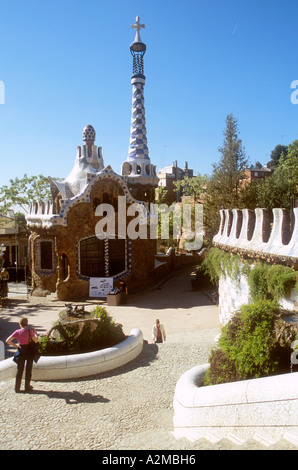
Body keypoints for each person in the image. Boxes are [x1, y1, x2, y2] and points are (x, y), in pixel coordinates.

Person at [6, 317, 39, 393]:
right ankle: (27, 387)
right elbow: (36, 340)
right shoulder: (30, 331)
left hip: (21, 351)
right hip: (29, 351)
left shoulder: (17, 331)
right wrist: (36, 334)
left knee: (19, 370)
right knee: (28, 369)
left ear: (20, 324)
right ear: (27, 324)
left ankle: (17, 388)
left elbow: (7, 340)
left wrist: (15, 345)